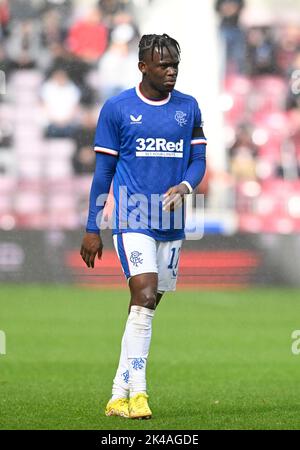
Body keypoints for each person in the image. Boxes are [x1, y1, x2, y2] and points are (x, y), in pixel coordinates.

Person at [80, 33, 207, 419]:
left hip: (172, 224)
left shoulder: (188, 108)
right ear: (142, 67)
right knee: (146, 295)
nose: (171, 72)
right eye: (164, 66)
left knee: (144, 307)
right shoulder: (118, 109)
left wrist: (185, 186)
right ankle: (139, 393)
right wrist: (91, 226)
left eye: (175, 66)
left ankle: (117, 394)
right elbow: (103, 173)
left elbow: (199, 161)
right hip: (131, 219)